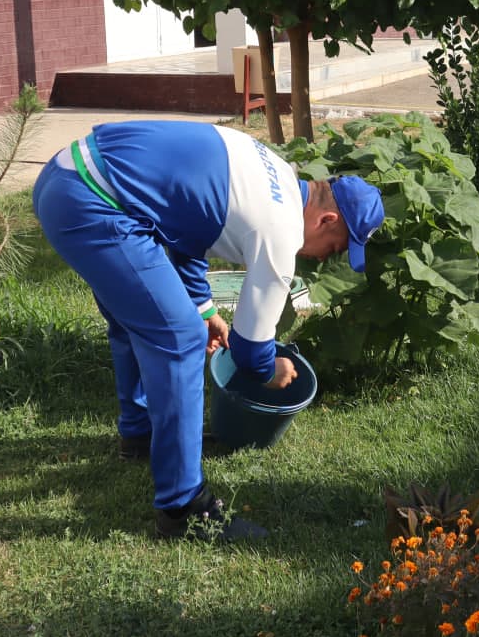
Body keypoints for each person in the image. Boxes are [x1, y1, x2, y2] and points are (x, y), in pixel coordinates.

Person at [32, 120, 385, 541]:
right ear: (327, 220)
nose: (328, 258)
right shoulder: (281, 230)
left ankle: (140, 435)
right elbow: (250, 348)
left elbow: (188, 225)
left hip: (67, 175)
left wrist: (204, 309)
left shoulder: (274, 170)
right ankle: (184, 509)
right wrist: (269, 370)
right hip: (94, 201)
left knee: (139, 320)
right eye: (338, 246)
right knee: (179, 338)